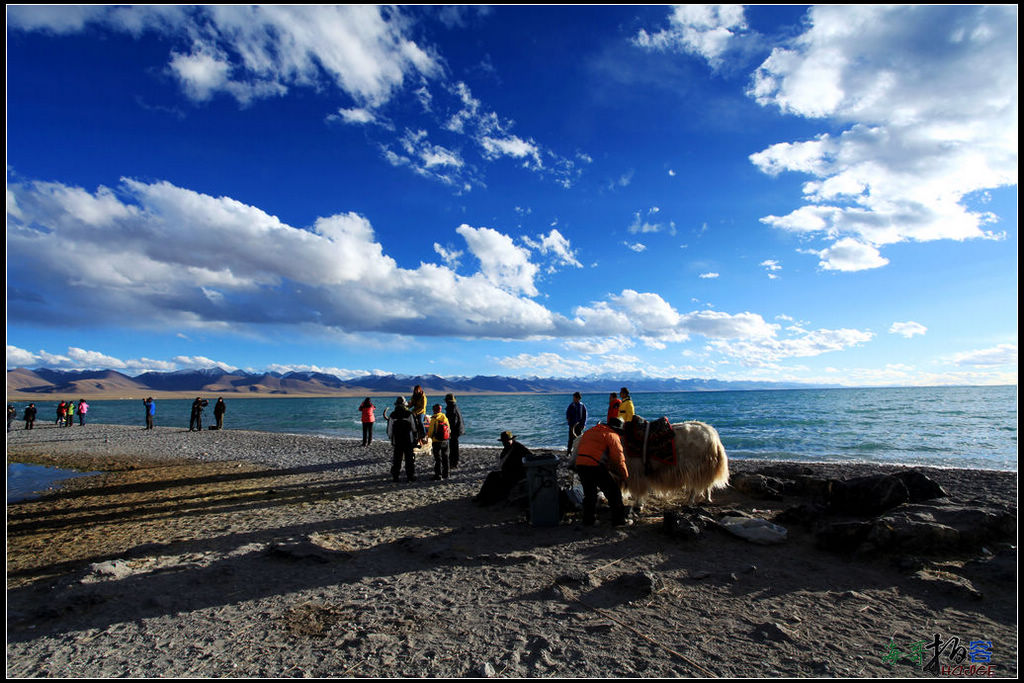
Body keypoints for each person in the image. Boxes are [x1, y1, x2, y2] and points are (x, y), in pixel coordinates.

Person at [573, 417, 629, 526]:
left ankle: (589, 520)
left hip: (580, 465)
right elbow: (619, 459)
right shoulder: (612, 435)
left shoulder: (590, 431)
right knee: (614, 493)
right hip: (595, 465)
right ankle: (619, 521)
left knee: (590, 494)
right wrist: (625, 476)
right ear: (617, 430)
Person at [473, 431, 530, 506]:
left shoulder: (520, 448)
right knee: (492, 476)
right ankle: (481, 496)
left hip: (517, 474)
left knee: (495, 480)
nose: (505, 443)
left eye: (506, 441)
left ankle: (486, 501)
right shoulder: (507, 448)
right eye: (504, 442)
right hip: (508, 473)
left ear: (511, 440)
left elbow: (530, 457)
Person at [382, 397, 417, 483]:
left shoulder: (393, 415)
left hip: (397, 441)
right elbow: (414, 428)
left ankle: (396, 477)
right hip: (408, 440)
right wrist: (415, 438)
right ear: (405, 404)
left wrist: (391, 439)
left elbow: (389, 430)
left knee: (397, 459)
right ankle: (410, 477)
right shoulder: (409, 414)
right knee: (409, 459)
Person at [428, 404, 451, 480]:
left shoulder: (434, 419)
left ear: (434, 410)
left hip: (437, 441)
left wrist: (429, 437)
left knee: (438, 459)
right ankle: (446, 474)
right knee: (445, 457)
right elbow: (449, 429)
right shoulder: (445, 418)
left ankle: (438, 475)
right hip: (445, 440)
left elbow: (431, 431)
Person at [444, 394, 465, 470]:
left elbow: (453, 421)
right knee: (454, 446)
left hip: (454, 430)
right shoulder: (454, 406)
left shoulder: (451, 407)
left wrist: (449, 429)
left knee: (453, 446)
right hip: (457, 429)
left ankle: (454, 463)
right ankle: (453, 462)